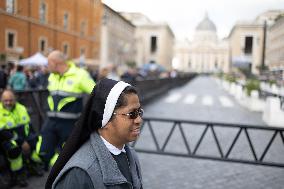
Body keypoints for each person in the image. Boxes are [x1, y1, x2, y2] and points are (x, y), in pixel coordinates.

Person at [45, 78, 143, 189]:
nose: (139, 120)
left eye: (139, 112)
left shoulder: (131, 155)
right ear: (105, 120)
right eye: (132, 114)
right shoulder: (81, 172)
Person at [39, 50, 95, 170]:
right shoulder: (52, 76)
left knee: (68, 155)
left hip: (69, 124)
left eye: (48, 63)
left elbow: (95, 93)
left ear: (55, 63)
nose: (47, 67)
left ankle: (61, 174)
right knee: (43, 151)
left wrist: (89, 116)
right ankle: (54, 168)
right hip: (50, 122)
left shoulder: (80, 74)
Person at [0, 89, 43, 187]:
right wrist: (22, 142)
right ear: (1, 100)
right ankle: (18, 175)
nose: (8, 103)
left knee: (35, 141)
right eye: (5, 100)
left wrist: (31, 138)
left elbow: (28, 125)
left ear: (14, 99)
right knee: (13, 150)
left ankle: (32, 166)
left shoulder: (21, 108)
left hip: (22, 136)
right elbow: (3, 132)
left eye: (10, 100)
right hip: (7, 138)